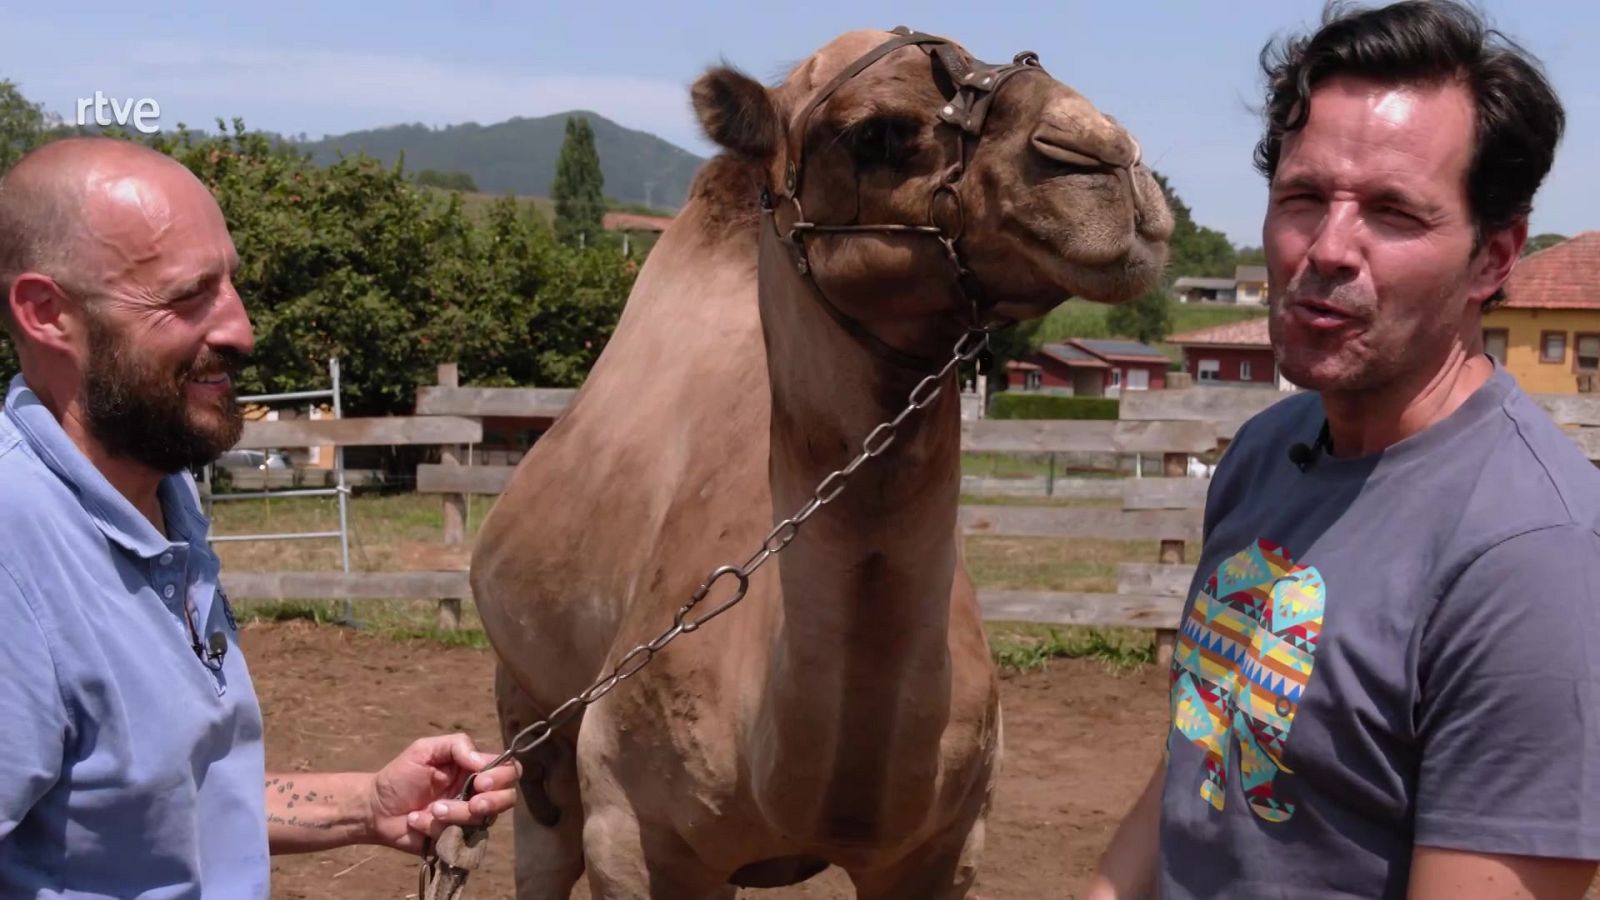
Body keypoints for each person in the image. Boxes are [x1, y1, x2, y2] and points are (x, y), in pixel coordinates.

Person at [1086, 2, 1599, 898]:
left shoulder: (1532, 560)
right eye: (1304, 198)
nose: (1326, 249)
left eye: (1394, 213)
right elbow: (1204, 750)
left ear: (1493, 257)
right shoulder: (1266, 451)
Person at [0, 137, 520, 897]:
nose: (241, 332)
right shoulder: (15, 551)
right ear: (48, 314)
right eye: (186, 297)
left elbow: (160, 800)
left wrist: (366, 805)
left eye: (231, 285)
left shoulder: (161, 505)